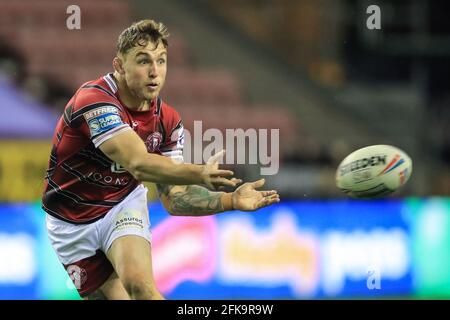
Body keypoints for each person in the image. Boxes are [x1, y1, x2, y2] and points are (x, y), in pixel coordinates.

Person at [42, 19, 280, 300]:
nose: (155, 72)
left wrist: (229, 201)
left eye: (162, 61)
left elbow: (174, 198)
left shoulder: (168, 121)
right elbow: (139, 163)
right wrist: (198, 172)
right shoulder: (94, 101)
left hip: (121, 206)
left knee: (141, 287)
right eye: (143, 61)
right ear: (119, 66)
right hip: (69, 224)